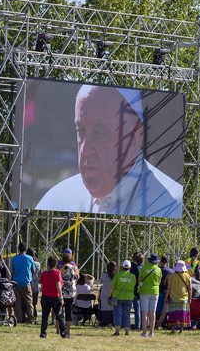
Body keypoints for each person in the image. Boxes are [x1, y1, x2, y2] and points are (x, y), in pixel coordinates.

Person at [36, 85, 183, 218]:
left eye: (100, 133)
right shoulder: (56, 199)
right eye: (81, 130)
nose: (85, 150)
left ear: (134, 138)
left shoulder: (171, 205)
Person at [39, 256, 67, 339]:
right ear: (55, 264)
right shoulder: (57, 273)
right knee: (60, 316)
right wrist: (61, 298)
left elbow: (41, 286)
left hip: (45, 297)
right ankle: (63, 333)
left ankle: (43, 333)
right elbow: (58, 285)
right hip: (55, 297)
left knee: (45, 316)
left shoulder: (44, 273)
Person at [109, 260, 136, 336]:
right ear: (130, 267)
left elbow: (111, 287)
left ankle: (117, 331)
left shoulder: (118, 275)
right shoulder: (133, 277)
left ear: (122, 267)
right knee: (127, 314)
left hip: (118, 297)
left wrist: (109, 296)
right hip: (129, 297)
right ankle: (127, 331)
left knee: (118, 314)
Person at [138, 253, 162, 337]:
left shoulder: (144, 268)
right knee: (153, 312)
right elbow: (159, 281)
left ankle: (144, 332)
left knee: (144, 312)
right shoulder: (158, 269)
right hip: (155, 291)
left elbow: (140, 279)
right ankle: (151, 332)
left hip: (144, 290)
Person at [165, 260, 192, 334]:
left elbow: (168, 288)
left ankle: (173, 329)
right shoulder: (187, 276)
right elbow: (189, 288)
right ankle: (181, 330)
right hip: (184, 297)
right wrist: (190, 297)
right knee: (182, 314)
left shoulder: (172, 276)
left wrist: (166, 297)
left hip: (173, 297)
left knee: (173, 314)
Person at [11, 242, 35, 324]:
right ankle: (31, 318)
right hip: (26, 282)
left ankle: (19, 318)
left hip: (16, 282)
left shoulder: (14, 259)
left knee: (17, 301)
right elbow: (33, 270)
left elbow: (12, 271)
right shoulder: (30, 258)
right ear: (25, 249)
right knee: (28, 301)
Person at [59, 252, 78, 336]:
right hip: (71, 292)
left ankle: (59, 329)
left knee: (60, 311)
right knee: (68, 312)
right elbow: (77, 276)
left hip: (63, 292)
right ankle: (68, 331)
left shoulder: (62, 268)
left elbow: (59, 278)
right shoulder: (74, 268)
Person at [155, 255, 174, 329]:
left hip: (158, 290)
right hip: (167, 292)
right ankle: (164, 323)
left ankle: (156, 323)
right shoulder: (170, 271)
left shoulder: (157, 269)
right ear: (167, 262)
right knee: (165, 310)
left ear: (160, 261)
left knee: (157, 309)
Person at [97, 261, 117, 327]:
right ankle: (110, 324)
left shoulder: (103, 275)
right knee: (111, 310)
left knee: (101, 309)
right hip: (112, 293)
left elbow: (101, 282)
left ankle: (98, 323)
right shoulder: (115, 276)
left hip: (104, 293)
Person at [26, 247, 41, 322]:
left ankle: (28, 316)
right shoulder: (37, 264)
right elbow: (38, 272)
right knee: (34, 304)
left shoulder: (27, 261)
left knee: (28, 302)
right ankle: (34, 317)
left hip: (28, 284)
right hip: (35, 285)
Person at [130, 252, 143, 330]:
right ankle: (141, 324)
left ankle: (137, 325)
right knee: (143, 309)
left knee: (136, 308)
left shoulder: (133, 269)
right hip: (144, 290)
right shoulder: (145, 268)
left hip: (135, 290)